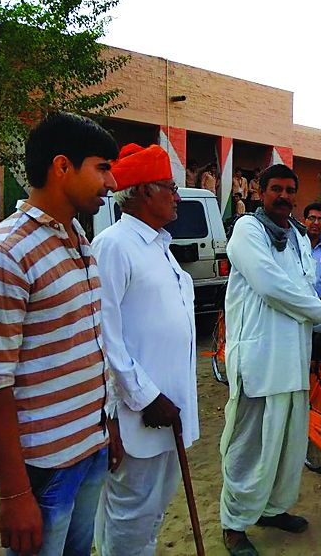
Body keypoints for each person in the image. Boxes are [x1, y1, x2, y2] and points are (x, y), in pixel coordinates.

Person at [0, 112, 119, 555]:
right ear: (63, 166)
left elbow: (88, 346)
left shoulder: (77, 236)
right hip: (44, 469)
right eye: (102, 167)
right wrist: (14, 495)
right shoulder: (6, 254)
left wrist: (106, 428)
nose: (112, 181)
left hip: (90, 448)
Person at [219, 164, 321, 556]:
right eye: (276, 189)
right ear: (260, 190)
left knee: (288, 444)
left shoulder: (297, 237)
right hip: (259, 358)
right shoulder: (247, 230)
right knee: (249, 444)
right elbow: (273, 286)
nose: (284, 197)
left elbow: (302, 287)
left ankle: (272, 509)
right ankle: (234, 525)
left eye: (291, 190)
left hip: (293, 359)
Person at [92, 144, 199, 555]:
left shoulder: (157, 245)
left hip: (169, 412)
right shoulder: (114, 245)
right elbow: (105, 333)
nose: (177, 195)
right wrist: (145, 396)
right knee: (129, 514)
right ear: (140, 192)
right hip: (142, 414)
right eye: (169, 187)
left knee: (152, 512)